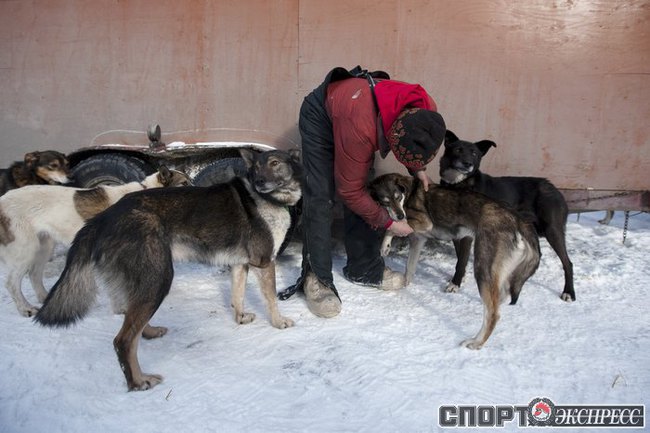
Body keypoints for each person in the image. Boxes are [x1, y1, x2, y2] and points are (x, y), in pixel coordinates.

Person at [279, 65, 446, 318]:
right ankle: (316, 277)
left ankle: (364, 268)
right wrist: (389, 223)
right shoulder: (361, 128)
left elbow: (414, 138)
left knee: (365, 187)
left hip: (356, 110)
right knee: (321, 196)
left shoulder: (426, 111)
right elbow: (349, 192)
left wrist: (417, 169)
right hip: (323, 116)